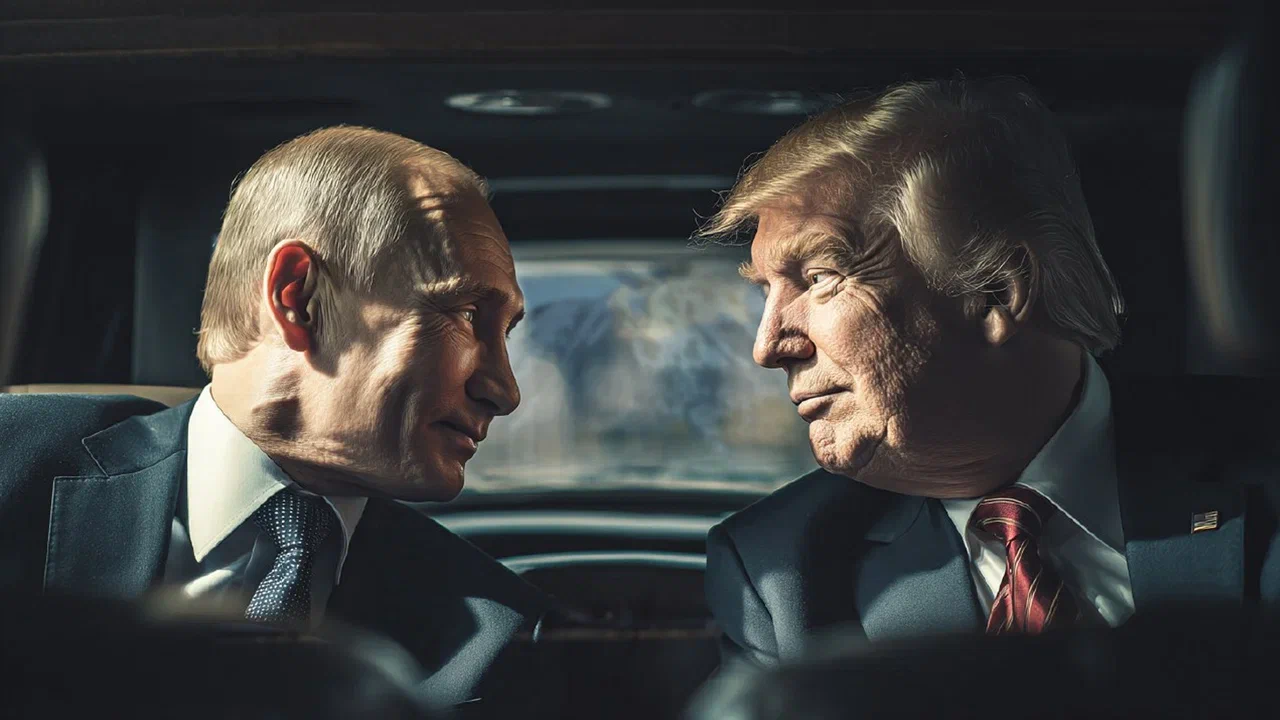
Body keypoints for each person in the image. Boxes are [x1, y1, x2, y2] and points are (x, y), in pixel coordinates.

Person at [695, 77, 1280, 669]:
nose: (768, 347)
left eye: (820, 277)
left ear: (995, 292)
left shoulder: (1264, 468)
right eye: (767, 290)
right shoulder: (779, 576)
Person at [0, 127, 552, 711]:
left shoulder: (499, 640)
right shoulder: (11, 458)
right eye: (465, 313)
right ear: (298, 296)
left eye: (506, 332)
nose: (505, 391)